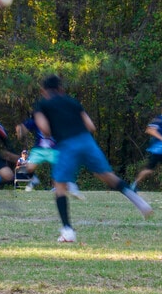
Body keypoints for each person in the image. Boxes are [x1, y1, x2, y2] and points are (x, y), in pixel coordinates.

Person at [33, 74, 152, 243]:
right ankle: (140, 203)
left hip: (67, 144)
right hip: (86, 141)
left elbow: (44, 130)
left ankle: (68, 231)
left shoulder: (42, 104)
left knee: (59, 186)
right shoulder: (73, 102)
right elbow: (91, 126)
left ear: (44, 91)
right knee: (108, 177)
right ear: (61, 89)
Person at [16, 115, 85, 199]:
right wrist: (20, 129)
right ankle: (33, 179)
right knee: (28, 167)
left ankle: (73, 188)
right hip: (39, 150)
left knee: (62, 168)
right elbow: (24, 126)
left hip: (53, 150)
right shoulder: (38, 120)